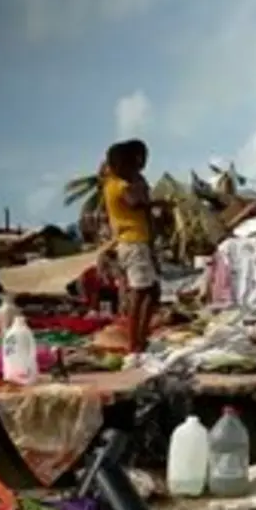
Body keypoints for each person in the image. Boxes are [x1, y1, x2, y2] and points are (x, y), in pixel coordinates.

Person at [103, 141, 158, 355]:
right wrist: (159, 203)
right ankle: (135, 342)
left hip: (134, 242)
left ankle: (140, 339)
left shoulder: (113, 183)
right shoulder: (119, 184)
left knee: (151, 291)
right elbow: (136, 202)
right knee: (141, 291)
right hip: (133, 241)